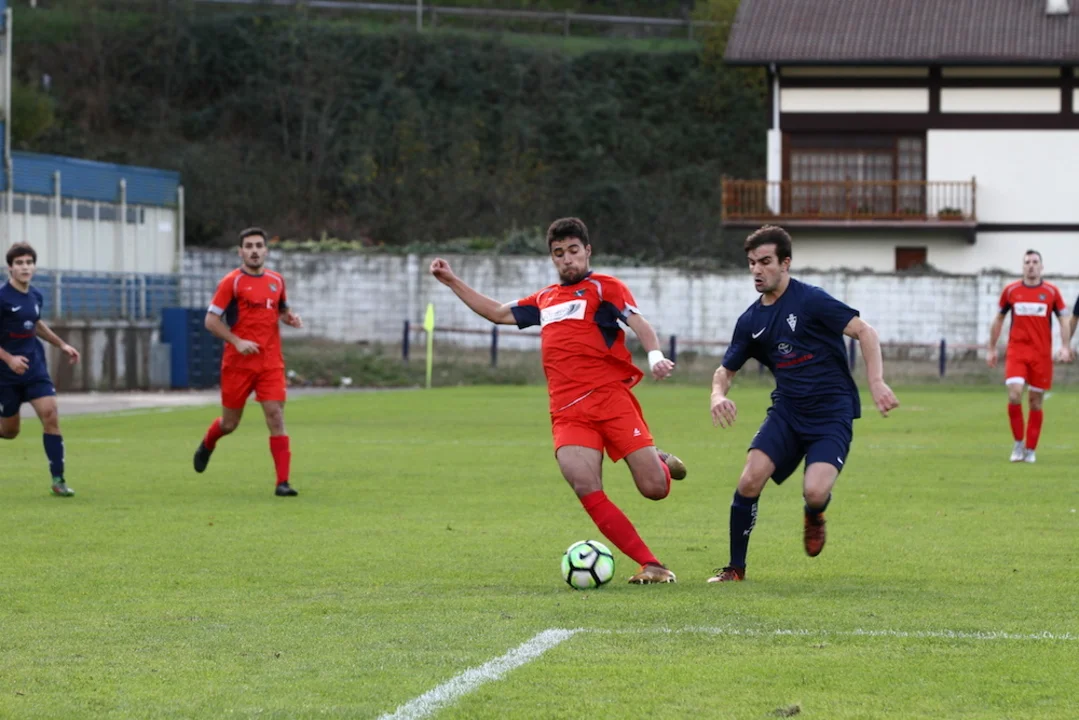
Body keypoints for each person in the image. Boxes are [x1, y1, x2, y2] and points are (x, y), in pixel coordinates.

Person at [430, 217, 687, 584]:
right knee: (585, 486)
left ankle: (658, 462)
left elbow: (639, 323)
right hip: (568, 412)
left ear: (587, 251)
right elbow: (498, 313)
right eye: (559, 253)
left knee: (654, 490)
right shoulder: (546, 299)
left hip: (610, 400)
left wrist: (655, 355)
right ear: (552, 258)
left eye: (573, 251)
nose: (567, 259)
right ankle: (653, 565)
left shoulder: (605, 287)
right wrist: (452, 281)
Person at [708, 225, 899, 583]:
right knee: (749, 480)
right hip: (787, 412)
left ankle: (814, 513)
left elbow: (865, 332)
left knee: (814, 491)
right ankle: (735, 568)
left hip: (831, 413)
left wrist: (875, 382)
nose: (757, 270)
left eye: (765, 262)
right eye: (752, 263)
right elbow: (725, 370)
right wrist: (718, 394)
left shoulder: (811, 300)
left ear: (786, 263)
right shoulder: (750, 321)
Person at [193, 227, 304, 496]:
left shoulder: (277, 280)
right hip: (238, 365)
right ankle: (208, 443)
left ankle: (283, 483)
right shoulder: (231, 282)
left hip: (270, 362)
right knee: (229, 424)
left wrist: (290, 318)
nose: (254, 251)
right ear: (240, 251)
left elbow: (281, 310)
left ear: (266, 250)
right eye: (249, 246)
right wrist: (237, 341)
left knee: (275, 416)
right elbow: (210, 321)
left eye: (258, 246)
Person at [0, 242, 81, 497]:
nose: (25, 267)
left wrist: (62, 344)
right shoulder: (1, 297)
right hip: (5, 375)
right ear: (10, 268)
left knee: (50, 414)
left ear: (34, 266)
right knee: (9, 432)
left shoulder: (35, 295)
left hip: (35, 369)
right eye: (19, 263)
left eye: (29, 262)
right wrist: (9, 359)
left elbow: (35, 324)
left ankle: (58, 479)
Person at [987, 250, 1071, 464]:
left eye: (1035, 262)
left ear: (1041, 267)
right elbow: (998, 319)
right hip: (1017, 351)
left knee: (1035, 401)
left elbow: (1064, 320)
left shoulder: (1051, 292)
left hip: (1041, 355)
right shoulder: (1011, 291)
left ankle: (1030, 449)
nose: (1031, 265)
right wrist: (991, 348)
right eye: (1027, 262)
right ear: (1023, 266)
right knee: (1015, 394)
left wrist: (1065, 346)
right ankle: (1018, 444)